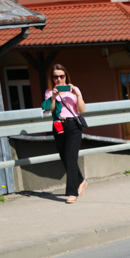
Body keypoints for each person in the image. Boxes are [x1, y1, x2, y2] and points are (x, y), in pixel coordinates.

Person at [43, 63, 87, 204]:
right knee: (65, 157)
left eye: (61, 76)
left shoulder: (74, 90)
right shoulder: (49, 92)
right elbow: (50, 110)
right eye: (55, 77)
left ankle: (72, 192)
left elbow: (82, 109)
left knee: (70, 157)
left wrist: (77, 95)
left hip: (73, 125)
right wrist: (54, 97)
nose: (59, 80)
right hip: (58, 126)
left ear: (66, 76)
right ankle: (81, 180)